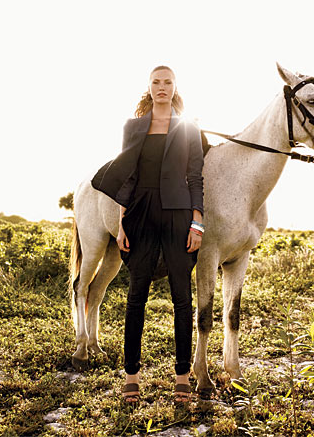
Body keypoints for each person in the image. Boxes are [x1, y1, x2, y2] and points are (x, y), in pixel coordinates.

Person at [91, 65, 204, 405]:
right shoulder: (133, 127)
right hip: (140, 215)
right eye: (156, 82)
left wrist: (197, 223)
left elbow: (196, 176)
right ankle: (131, 377)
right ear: (149, 87)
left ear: (175, 87)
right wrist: (123, 222)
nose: (162, 87)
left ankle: (182, 377)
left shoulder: (189, 128)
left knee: (182, 299)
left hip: (178, 215)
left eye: (167, 82)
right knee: (136, 298)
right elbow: (127, 176)